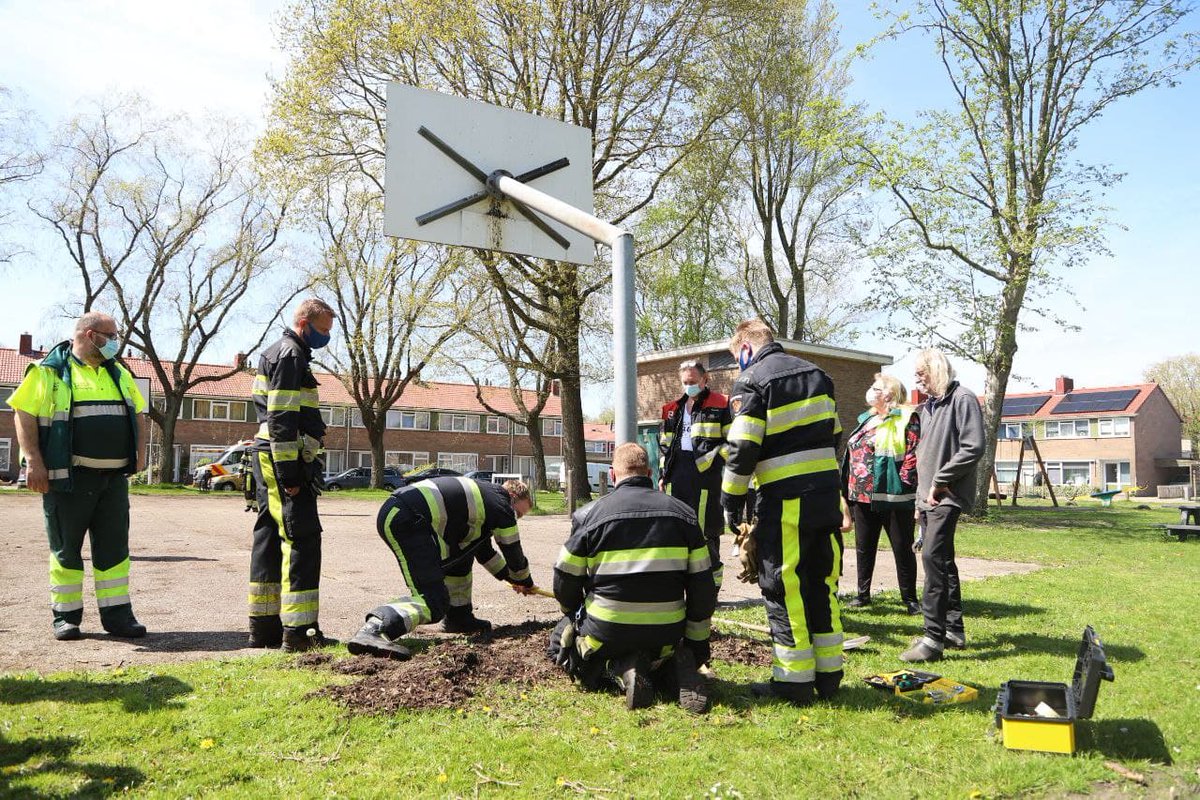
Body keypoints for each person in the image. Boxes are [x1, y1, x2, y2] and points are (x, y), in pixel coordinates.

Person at [720, 319, 844, 705]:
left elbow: (742, 448)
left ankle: (793, 682)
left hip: (786, 498)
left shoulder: (753, 380)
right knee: (821, 583)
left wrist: (731, 500)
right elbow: (836, 433)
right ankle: (828, 677)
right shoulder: (819, 375)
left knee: (783, 584)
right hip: (825, 495)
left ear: (744, 348)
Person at [7, 312, 147, 641]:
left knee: (115, 551)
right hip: (69, 480)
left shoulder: (119, 373)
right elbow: (22, 413)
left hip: (113, 481)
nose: (116, 341)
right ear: (88, 334)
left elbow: (138, 413)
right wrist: (33, 462)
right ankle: (65, 618)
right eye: (110, 335)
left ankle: (118, 617)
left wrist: (140, 454)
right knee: (66, 550)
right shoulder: (49, 372)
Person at [549, 443, 717, 713]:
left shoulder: (588, 516)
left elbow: (564, 579)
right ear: (649, 473)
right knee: (663, 647)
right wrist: (696, 646)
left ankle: (618, 668)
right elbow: (702, 587)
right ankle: (671, 668)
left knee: (563, 639)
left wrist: (572, 612)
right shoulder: (684, 515)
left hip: (607, 631)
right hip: (666, 632)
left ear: (613, 475)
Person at [347, 477, 537, 657]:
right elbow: (513, 551)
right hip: (408, 519)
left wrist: (513, 579)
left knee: (462, 559)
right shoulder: (501, 504)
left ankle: (459, 616)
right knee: (433, 602)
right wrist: (524, 580)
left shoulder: (487, 502)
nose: (516, 519)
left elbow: (484, 553)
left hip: (403, 513)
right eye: (518, 513)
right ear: (512, 496)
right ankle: (375, 628)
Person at [247, 298, 337, 652]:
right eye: (323, 330)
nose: (325, 337)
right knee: (302, 538)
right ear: (304, 324)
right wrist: (290, 473)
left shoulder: (278, 351)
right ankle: (299, 632)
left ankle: (264, 628)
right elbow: (282, 417)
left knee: (269, 536)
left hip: (269, 456)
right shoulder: (290, 355)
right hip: (282, 458)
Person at [900, 349, 985, 663]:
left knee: (932, 559)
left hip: (947, 495)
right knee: (944, 561)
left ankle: (932, 639)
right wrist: (920, 498)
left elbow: (973, 446)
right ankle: (953, 630)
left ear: (935, 371)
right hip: (929, 498)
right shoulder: (927, 408)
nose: (917, 379)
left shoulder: (962, 399)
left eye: (921, 373)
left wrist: (941, 480)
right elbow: (922, 453)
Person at [839, 373, 921, 614]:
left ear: (890, 394)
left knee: (902, 547)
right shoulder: (867, 419)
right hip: (862, 496)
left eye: (876, 388)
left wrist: (905, 483)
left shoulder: (907, 417)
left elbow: (913, 452)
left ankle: (910, 599)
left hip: (893, 495)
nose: (871, 392)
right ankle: (863, 595)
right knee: (864, 547)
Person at [658, 360, 731, 588]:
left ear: (705, 379)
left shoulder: (722, 404)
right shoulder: (672, 409)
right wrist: (663, 474)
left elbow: (733, 442)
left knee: (707, 530)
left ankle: (710, 587)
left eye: (693, 381)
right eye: (685, 382)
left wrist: (717, 460)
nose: (689, 386)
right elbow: (665, 446)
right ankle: (680, 583)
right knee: (676, 528)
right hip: (678, 471)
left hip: (708, 474)